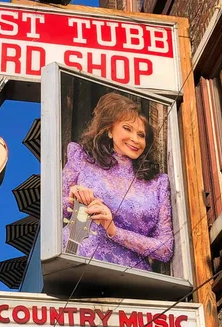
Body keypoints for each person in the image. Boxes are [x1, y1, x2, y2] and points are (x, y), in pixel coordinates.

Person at [62, 92, 174, 272]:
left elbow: (165, 249)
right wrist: (72, 199)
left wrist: (113, 230)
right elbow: (53, 215)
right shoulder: (82, 159)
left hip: (132, 283)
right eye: (127, 129)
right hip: (75, 267)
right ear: (109, 130)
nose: (135, 139)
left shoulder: (157, 183)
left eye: (141, 135)